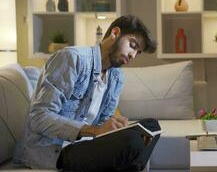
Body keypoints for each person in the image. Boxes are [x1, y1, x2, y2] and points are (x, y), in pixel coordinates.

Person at [14, 15, 161, 171]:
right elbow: (39, 117)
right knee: (132, 141)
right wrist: (95, 130)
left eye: (138, 52)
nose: (133, 55)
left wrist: (115, 128)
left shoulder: (116, 76)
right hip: (54, 150)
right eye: (132, 45)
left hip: (85, 144)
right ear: (115, 33)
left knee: (151, 127)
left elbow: (104, 123)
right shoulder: (72, 58)